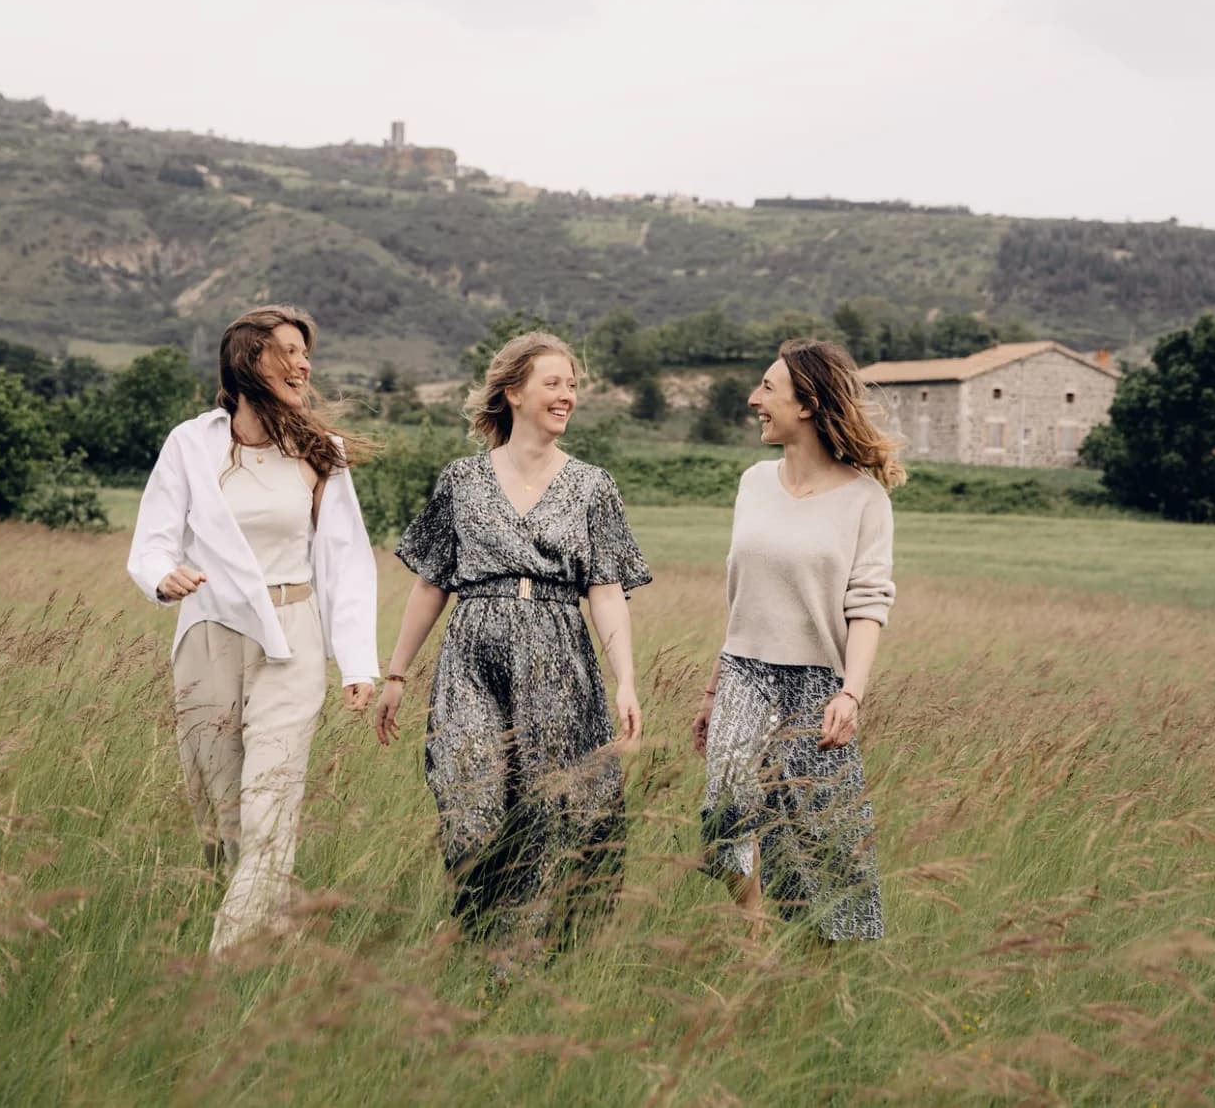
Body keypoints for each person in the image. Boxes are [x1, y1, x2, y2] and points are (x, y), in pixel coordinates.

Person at [375, 331, 651, 966]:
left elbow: (606, 592)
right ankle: (482, 939)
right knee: (470, 806)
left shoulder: (592, 486)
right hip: (472, 655)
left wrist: (626, 680)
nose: (567, 396)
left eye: (573, 386)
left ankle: (530, 961)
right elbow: (429, 582)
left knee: (551, 812)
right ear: (513, 391)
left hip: (560, 656)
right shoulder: (462, 480)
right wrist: (396, 673)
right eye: (554, 383)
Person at [127, 305, 379, 954]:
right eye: (289, 351)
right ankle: (278, 938)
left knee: (271, 801)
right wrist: (164, 576)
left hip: (291, 638)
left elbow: (347, 559)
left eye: (305, 352)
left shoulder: (322, 453)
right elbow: (152, 538)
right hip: (209, 630)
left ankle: (224, 961)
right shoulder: (192, 443)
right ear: (249, 360)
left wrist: (356, 662)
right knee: (220, 813)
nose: (304, 364)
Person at [691, 338, 902, 941]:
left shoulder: (865, 499)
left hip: (818, 684)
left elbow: (868, 604)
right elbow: (741, 599)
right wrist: (712, 691)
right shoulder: (753, 482)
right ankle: (753, 936)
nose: (754, 399)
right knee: (726, 809)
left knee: (818, 840)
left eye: (768, 389)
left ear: (807, 404)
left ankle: (813, 966)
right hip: (743, 672)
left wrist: (851, 694)